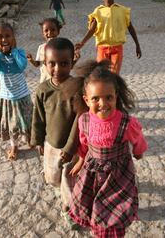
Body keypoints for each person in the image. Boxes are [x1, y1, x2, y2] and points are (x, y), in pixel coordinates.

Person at [65, 60, 148, 238]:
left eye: (108, 97)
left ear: (116, 96)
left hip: (118, 175)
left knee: (113, 213)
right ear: (86, 100)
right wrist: (80, 160)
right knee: (93, 204)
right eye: (96, 98)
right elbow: (83, 143)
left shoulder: (126, 122)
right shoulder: (84, 120)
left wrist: (138, 152)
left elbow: (138, 139)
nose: (103, 103)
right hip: (92, 173)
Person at [31, 37, 79, 225]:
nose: (58, 69)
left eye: (64, 63)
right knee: (52, 175)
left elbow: (79, 120)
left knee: (70, 178)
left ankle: (69, 207)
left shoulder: (77, 87)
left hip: (73, 147)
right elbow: (38, 117)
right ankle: (60, 187)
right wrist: (37, 140)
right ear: (45, 63)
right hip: (51, 144)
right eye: (52, 63)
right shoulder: (43, 89)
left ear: (73, 62)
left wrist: (70, 147)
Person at [75, 0, 142, 74]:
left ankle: (115, 89)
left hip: (117, 48)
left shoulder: (122, 10)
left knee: (114, 75)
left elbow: (130, 28)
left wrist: (137, 45)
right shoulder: (98, 11)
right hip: (102, 48)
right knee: (101, 74)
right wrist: (82, 43)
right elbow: (92, 30)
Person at [0, 23, 33, 161]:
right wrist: (0, 53)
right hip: (7, 98)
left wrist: (12, 51)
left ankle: (30, 140)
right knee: (11, 124)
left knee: (27, 120)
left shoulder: (20, 52)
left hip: (22, 95)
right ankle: (14, 145)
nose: (4, 39)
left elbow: (22, 65)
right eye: (0, 37)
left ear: (13, 38)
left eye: (8, 36)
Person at [27, 18, 62, 83]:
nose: (49, 33)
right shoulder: (41, 48)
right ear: (43, 33)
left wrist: (75, 59)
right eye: (46, 30)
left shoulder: (62, 47)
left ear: (58, 31)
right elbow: (37, 64)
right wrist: (31, 60)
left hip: (59, 81)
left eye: (53, 30)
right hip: (45, 81)